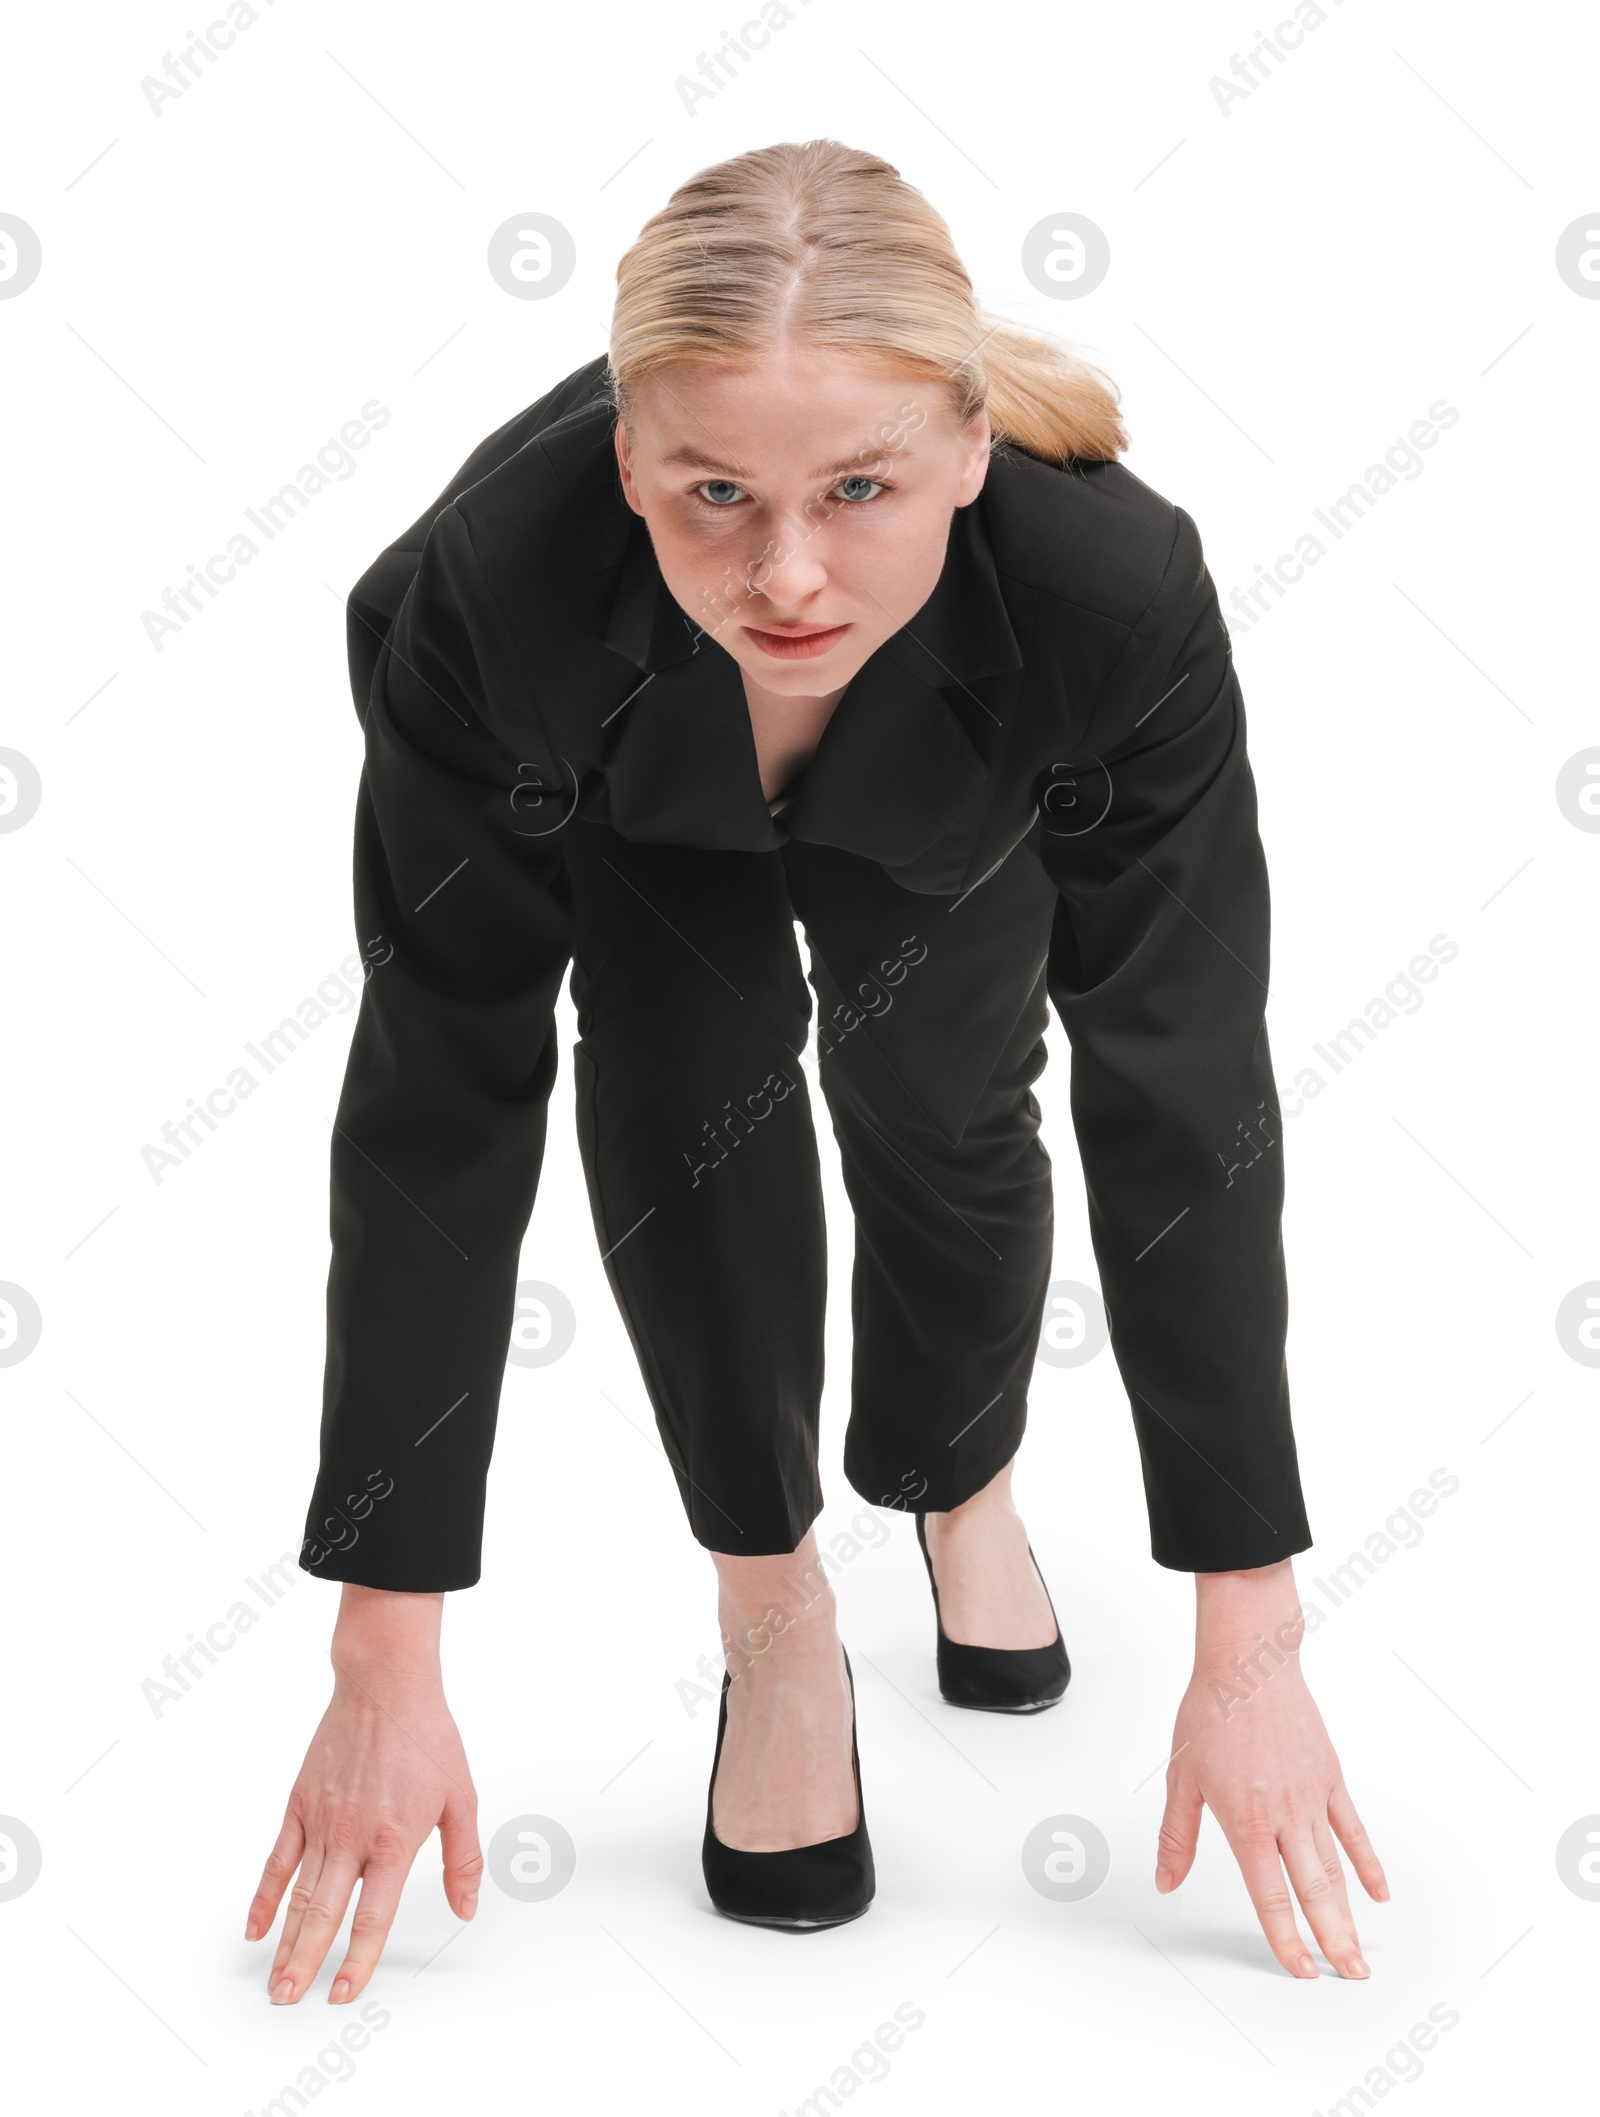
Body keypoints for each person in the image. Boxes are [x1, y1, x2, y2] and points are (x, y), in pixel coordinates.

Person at [245, 137, 1387, 1999]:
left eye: (859, 489)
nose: (787, 574)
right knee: (688, 1121)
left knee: (943, 1106)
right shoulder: (492, 603)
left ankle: (962, 1481)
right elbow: (435, 1106)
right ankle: (773, 1611)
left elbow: (1180, 1090)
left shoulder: (1110, 598)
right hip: (635, 780)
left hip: (955, 781)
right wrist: (384, 1659)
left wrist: (1249, 1641)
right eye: (713, 493)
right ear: (628, 462)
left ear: (964, 450)